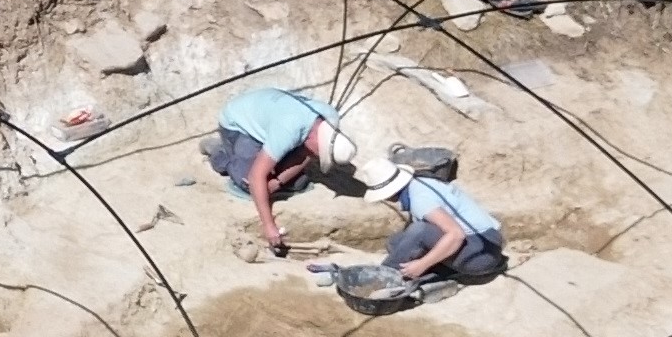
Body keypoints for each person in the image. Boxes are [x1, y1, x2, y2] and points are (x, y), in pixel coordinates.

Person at [201, 86, 399, 258]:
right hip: (239, 124)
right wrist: (269, 226)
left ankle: (264, 163)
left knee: (297, 183)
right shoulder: (288, 130)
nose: (316, 156)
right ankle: (219, 154)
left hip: (272, 120)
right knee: (248, 183)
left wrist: (276, 182)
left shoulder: (328, 120)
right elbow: (256, 176)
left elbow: (305, 156)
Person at [332, 168, 507, 307]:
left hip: (482, 254)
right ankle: (439, 272)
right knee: (396, 243)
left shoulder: (420, 200)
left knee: (419, 231)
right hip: (487, 242)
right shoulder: (420, 183)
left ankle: (383, 281)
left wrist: (422, 264)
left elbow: (456, 235)